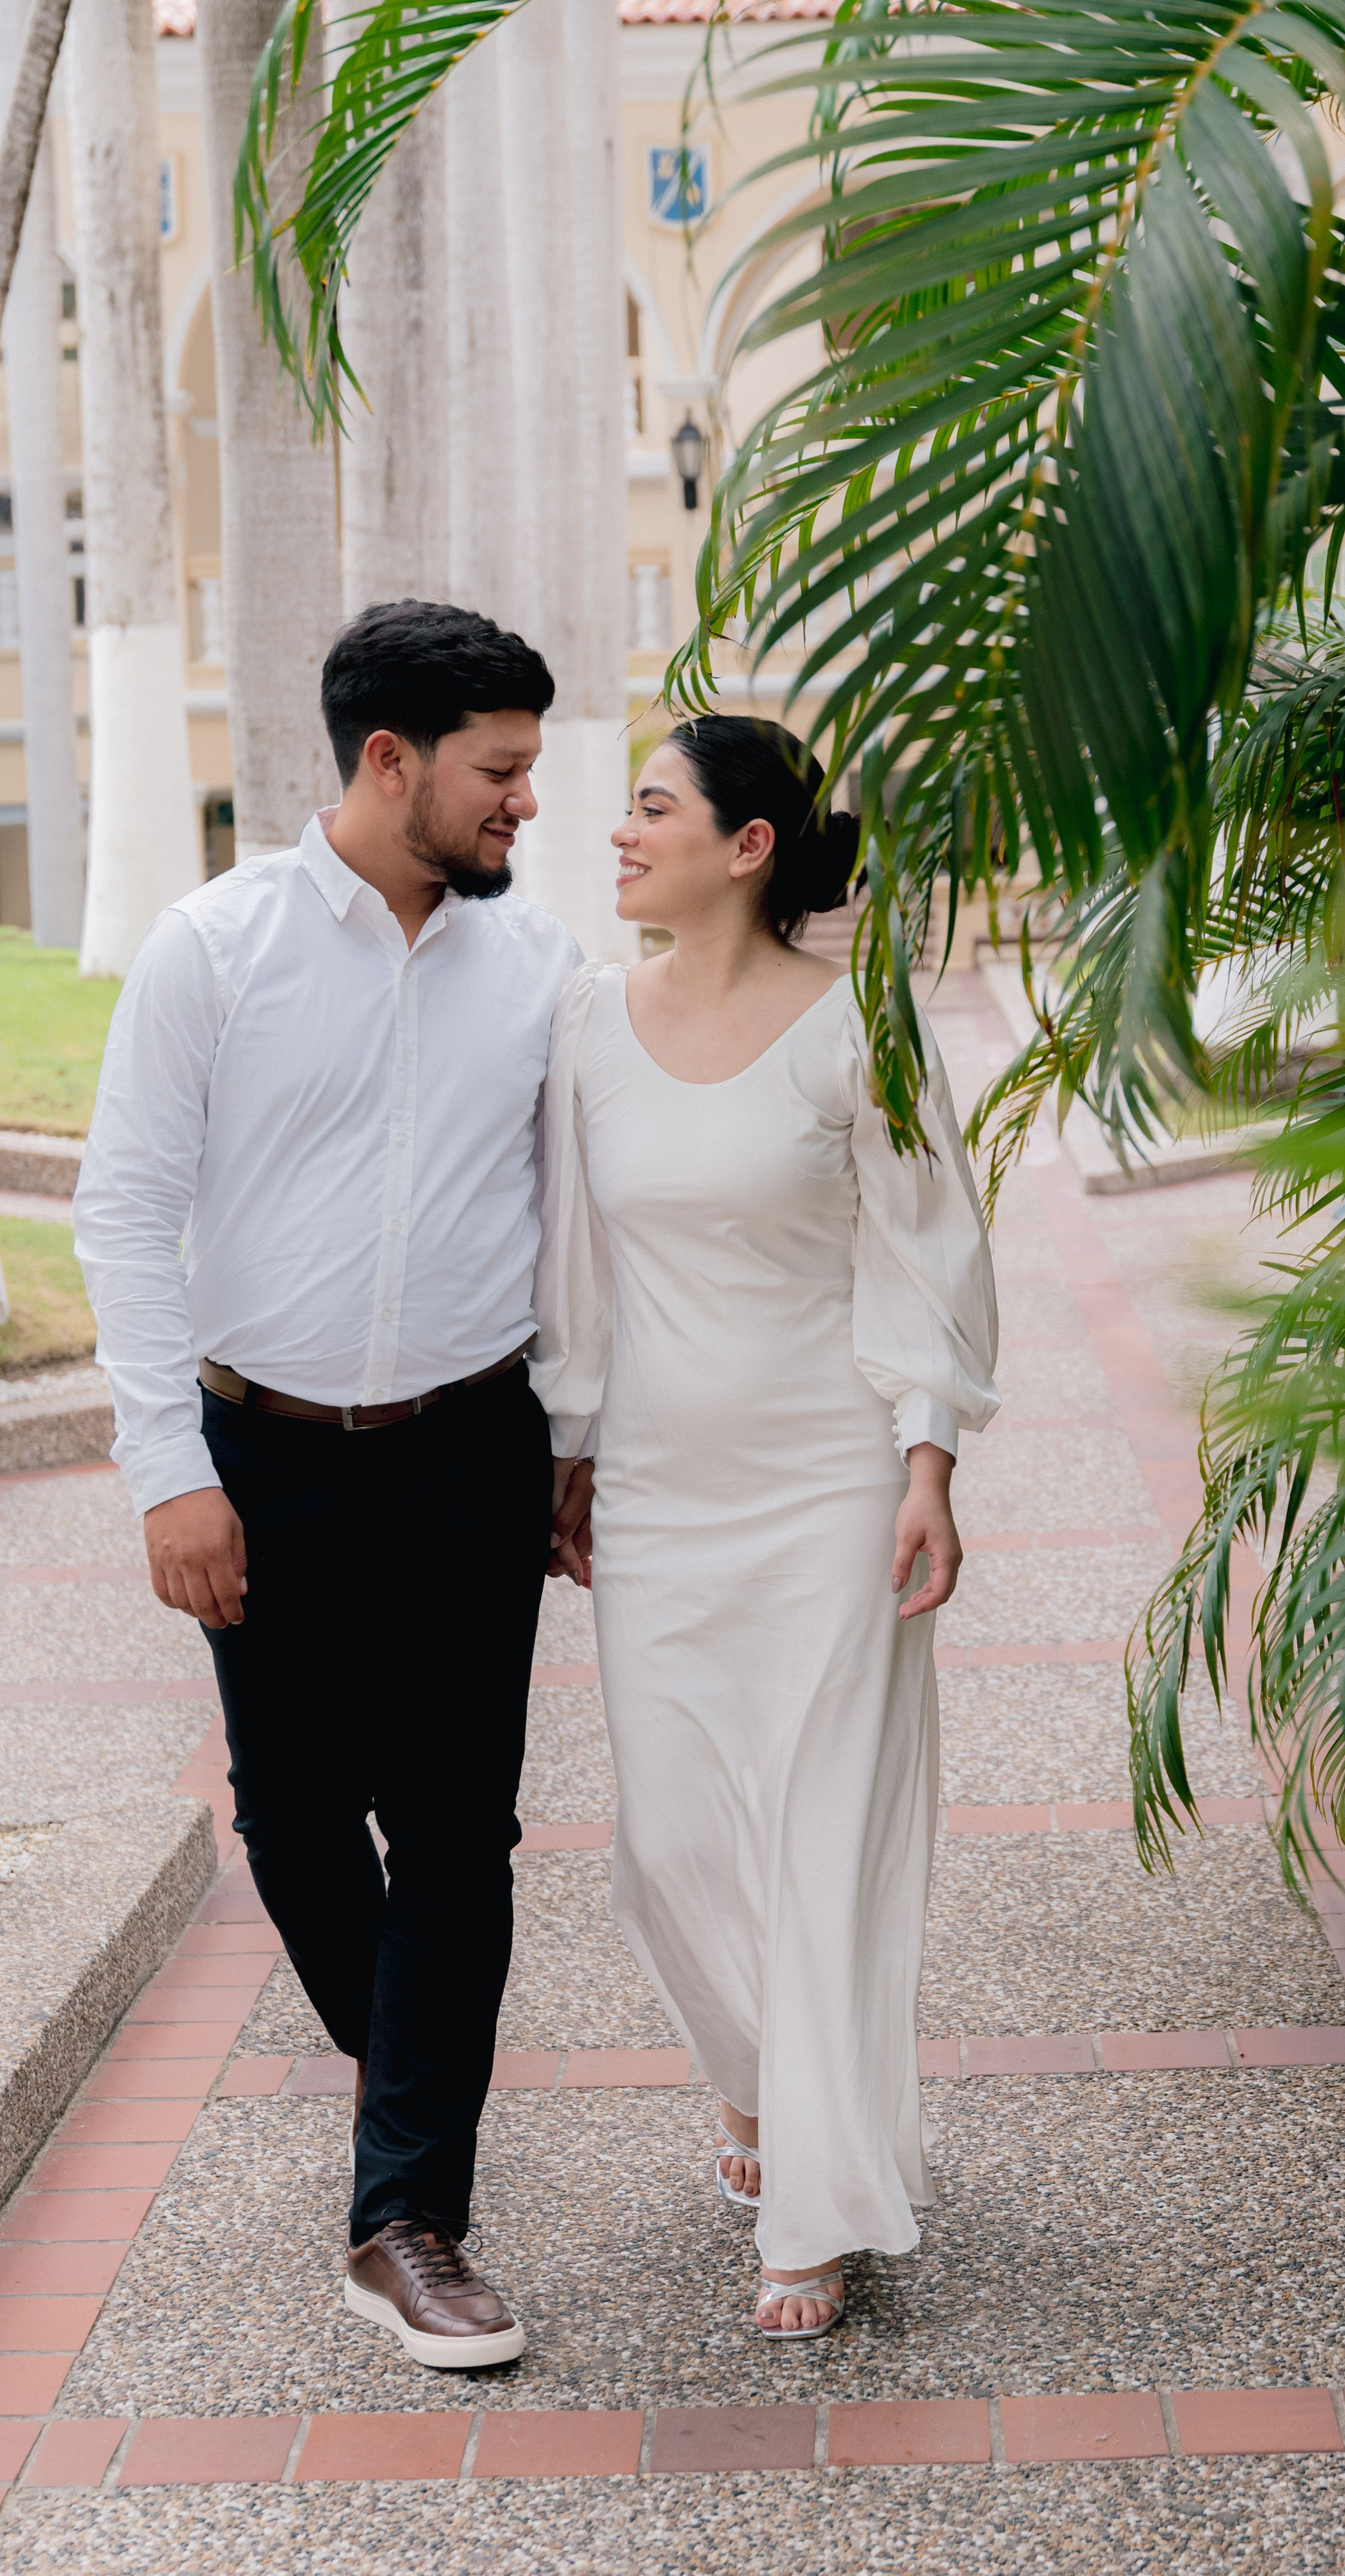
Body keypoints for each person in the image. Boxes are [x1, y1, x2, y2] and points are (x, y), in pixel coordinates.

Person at [73, 601, 595, 2371]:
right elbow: (125, 1212)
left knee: (455, 1829)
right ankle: (415, 2084)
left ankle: (405, 2217)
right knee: (292, 1818)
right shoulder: (212, 949)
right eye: (498, 770)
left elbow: (574, 1222)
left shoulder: (537, 964)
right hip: (260, 1456)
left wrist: (575, 1443)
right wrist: (167, 1474)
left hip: (470, 1448)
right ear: (390, 761)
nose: (526, 801)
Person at [532, 713, 999, 2340]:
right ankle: (749, 2076)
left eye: (651, 806)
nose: (619, 831)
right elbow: (577, 1264)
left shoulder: (858, 1027)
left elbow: (926, 1246)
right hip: (659, 1493)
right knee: (666, 1852)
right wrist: (572, 1448)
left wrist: (928, 1458)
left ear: (747, 847)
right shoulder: (587, 1024)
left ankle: (816, 2193)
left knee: (819, 1838)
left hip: (829, 1491)